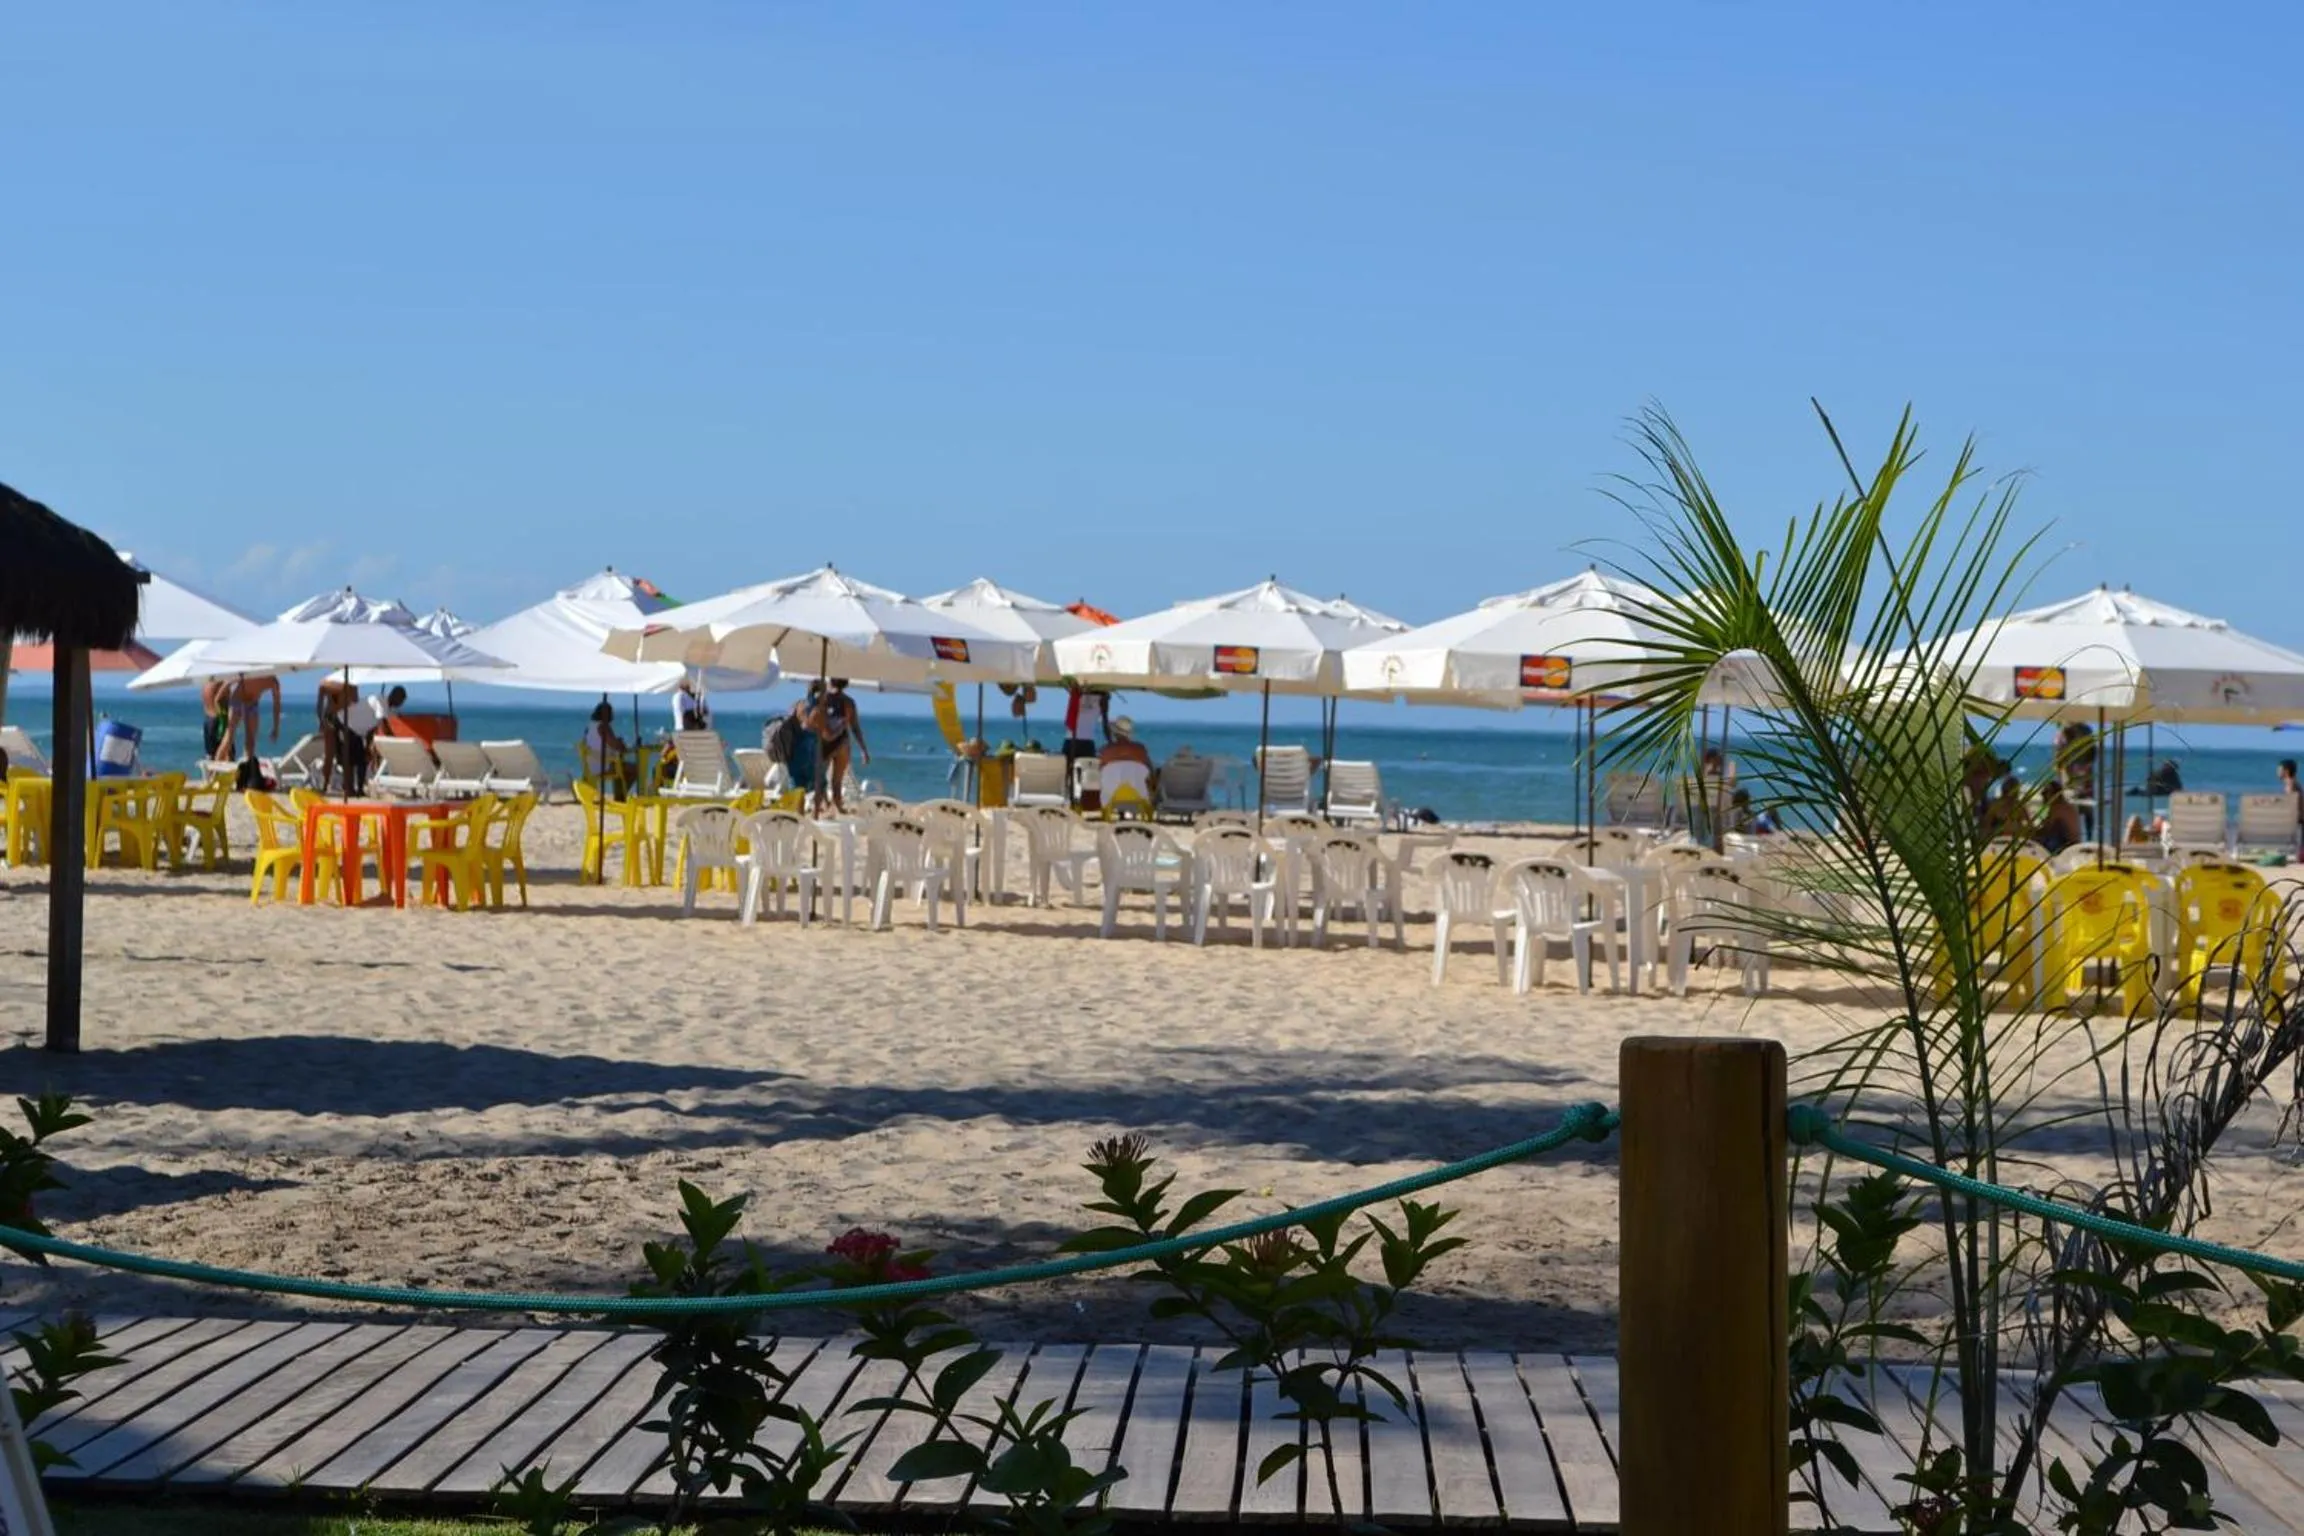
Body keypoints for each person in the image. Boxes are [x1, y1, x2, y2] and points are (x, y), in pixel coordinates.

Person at [809, 678, 868, 813]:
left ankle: (821, 805)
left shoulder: (821, 698)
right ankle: (838, 805)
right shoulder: (849, 702)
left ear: (831, 682)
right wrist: (864, 750)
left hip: (824, 741)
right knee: (837, 779)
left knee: (820, 776)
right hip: (842, 742)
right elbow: (855, 727)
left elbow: (812, 722)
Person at [584, 701, 634, 797]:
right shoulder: (603, 726)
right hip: (603, 766)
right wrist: (621, 744)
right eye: (611, 712)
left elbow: (598, 743)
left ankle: (619, 795)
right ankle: (620, 796)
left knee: (621, 768)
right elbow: (616, 746)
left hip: (590, 765)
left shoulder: (590, 726)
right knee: (634, 769)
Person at [233, 674, 282, 760]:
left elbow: (276, 704)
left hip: (252, 704)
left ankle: (248, 763)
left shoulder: (273, 681)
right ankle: (214, 771)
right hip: (238, 700)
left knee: (251, 742)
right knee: (229, 738)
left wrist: (276, 728)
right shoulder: (254, 673)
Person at [2034, 777, 2083, 856]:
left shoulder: (2057, 807)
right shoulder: (2068, 805)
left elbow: (2046, 828)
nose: (2043, 796)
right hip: (2074, 844)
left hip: (2066, 847)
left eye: (2045, 793)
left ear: (2052, 794)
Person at [1979, 774, 2028, 842]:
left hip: (2015, 840)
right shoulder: (1995, 806)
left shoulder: (2019, 806)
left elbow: (2029, 827)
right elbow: (1985, 827)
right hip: (1997, 840)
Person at [200, 676, 234, 760]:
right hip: (219, 721)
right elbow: (227, 701)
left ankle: (211, 773)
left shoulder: (205, 685)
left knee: (210, 754)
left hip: (208, 720)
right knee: (227, 752)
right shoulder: (221, 683)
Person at [2282, 759, 2303, 856]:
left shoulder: (2289, 784)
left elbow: (2289, 803)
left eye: (2279, 769)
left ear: (2286, 771)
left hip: (2297, 819)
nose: (2277, 771)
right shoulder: (2295, 783)